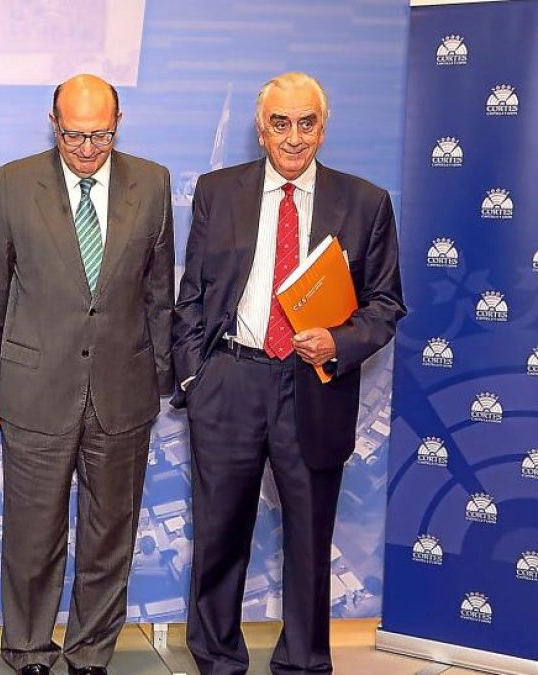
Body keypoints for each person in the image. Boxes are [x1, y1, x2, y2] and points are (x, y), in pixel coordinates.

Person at [171, 72, 405, 675]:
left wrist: (339, 341)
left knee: (308, 540)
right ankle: (218, 659)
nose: (294, 137)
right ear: (261, 128)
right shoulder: (218, 192)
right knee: (220, 536)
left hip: (313, 385)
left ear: (323, 128)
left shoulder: (366, 202)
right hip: (230, 379)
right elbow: (191, 294)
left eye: (307, 123)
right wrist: (196, 379)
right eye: (281, 123)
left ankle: (303, 663)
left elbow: (385, 304)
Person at [0, 74, 174, 675]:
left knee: (110, 537)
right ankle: (28, 649)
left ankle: (90, 652)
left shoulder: (153, 183)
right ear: (53, 123)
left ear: (119, 124)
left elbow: (159, 292)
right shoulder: (14, 182)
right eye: (74, 135)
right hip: (33, 388)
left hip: (122, 390)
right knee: (32, 537)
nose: (87, 149)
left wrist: (158, 377)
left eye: (101, 135)